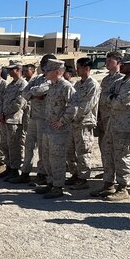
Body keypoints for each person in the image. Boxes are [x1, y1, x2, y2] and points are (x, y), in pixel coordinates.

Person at [95, 57, 130, 201]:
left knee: (122, 156)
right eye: (122, 64)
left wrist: (111, 98)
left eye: (126, 65)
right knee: (109, 153)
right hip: (114, 123)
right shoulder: (121, 81)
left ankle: (123, 188)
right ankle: (108, 184)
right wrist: (112, 97)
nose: (122, 66)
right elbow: (102, 96)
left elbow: (121, 103)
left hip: (127, 125)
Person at [35, 59, 76, 198]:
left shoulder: (66, 87)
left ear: (57, 72)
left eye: (48, 70)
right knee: (46, 157)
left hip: (59, 130)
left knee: (57, 158)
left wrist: (62, 122)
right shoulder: (51, 86)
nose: (44, 72)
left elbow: (73, 107)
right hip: (48, 128)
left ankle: (58, 186)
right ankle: (51, 183)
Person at [91, 52, 125, 196]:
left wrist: (107, 98)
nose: (107, 63)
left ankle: (119, 183)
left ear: (118, 63)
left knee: (116, 152)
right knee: (105, 150)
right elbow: (101, 100)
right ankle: (108, 179)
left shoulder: (122, 79)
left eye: (110, 61)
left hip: (115, 120)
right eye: (106, 61)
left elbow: (116, 100)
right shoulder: (105, 80)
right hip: (103, 120)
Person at [19, 54, 57, 184]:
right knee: (29, 146)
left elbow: (42, 90)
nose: (42, 65)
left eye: (45, 62)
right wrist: (34, 95)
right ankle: (25, 171)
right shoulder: (38, 78)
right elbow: (25, 92)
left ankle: (42, 173)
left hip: (43, 118)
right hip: (33, 116)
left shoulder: (51, 80)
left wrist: (33, 93)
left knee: (42, 148)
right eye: (42, 62)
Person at [65, 57, 100, 190]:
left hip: (84, 122)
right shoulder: (78, 85)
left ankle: (83, 178)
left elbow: (87, 105)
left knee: (83, 151)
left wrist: (73, 116)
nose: (76, 70)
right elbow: (72, 101)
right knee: (70, 150)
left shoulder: (93, 85)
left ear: (86, 68)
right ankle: (75, 174)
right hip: (73, 122)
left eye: (78, 67)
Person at [0, 61, 28, 182]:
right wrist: (1, 113)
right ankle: (9, 167)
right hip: (6, 119)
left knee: (14, 145)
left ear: (18, 69)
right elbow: (3, 100)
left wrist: (5, 113)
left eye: (11, 69)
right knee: (5, 144)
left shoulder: (23, 84)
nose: (9, 72)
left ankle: (15, 170)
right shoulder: (11, 85)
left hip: (15, 120)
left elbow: (19, 103)